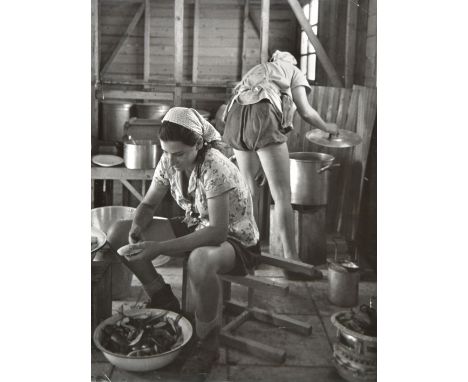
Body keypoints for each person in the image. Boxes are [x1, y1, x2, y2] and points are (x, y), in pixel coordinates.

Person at [107, 107, 260, 377]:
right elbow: (148, 203)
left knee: (200, 260)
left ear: (198, 144)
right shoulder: (169, 160)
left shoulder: (215, 165)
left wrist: (158, 248)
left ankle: (207, 342)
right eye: (167, 152)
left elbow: (217, 233)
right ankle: (163, 299)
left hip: (236, 239)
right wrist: (137, 226)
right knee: (117, 233)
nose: (172, 160)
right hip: (195, 223)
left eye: (179, 154)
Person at [222, 50, 338, 279]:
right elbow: (305, 111)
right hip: (262, 115)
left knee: (248, 192)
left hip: (234, 119)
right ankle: (291, 260)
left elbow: (244, 101)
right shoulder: (294, 71)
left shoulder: (258, 69)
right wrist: (328, 127)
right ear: (291, 62)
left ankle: (246, 250)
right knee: (283, 195)